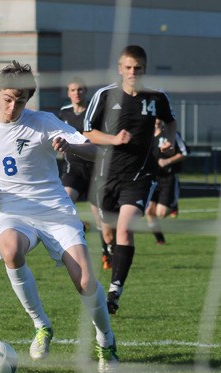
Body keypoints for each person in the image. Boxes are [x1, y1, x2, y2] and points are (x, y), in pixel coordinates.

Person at [0, 61, 119, 373]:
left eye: (20, 100)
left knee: (86, 281)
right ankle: (42, 325)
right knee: (10, 249)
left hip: (56, 211)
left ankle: (106, 340)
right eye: (8, 99)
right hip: (15, 213)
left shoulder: (45, 122)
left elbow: (96, 151)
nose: (13, 107)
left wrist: (71, 149)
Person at [84, 45, 177, 315]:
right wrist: (114, 139)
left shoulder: (157, 97)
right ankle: (111, 252)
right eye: (128, 67)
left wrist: (168, 142)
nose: (133, 72)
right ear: (120, 69)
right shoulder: (104, 95)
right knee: (108, 229)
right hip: (106, 176)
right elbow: (88, 131)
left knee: (125, 228)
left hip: (139, 176)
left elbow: (169, 122)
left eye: (137, 68)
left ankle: (115, 291)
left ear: (144, 69)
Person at [59, 76, 113, 270]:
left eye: (80, 89)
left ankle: (107, 249)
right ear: (68, 92)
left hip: (95, 170)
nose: (77, 93)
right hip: (73, 169)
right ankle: (72, 238)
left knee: (101, 219)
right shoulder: (63, 113)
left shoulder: (94, 111)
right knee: (64, 202)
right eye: (73, 90)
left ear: (85, 91)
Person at [146, 119, 188, 244]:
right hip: (152, 178)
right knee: (149, 211)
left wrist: (167, 161)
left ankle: (173, 205)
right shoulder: (146, 134)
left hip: (167, 178)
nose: (156, 119)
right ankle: (160, 239)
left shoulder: (171, 134)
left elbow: (185, 152)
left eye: (159, 116)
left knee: (160, 213)